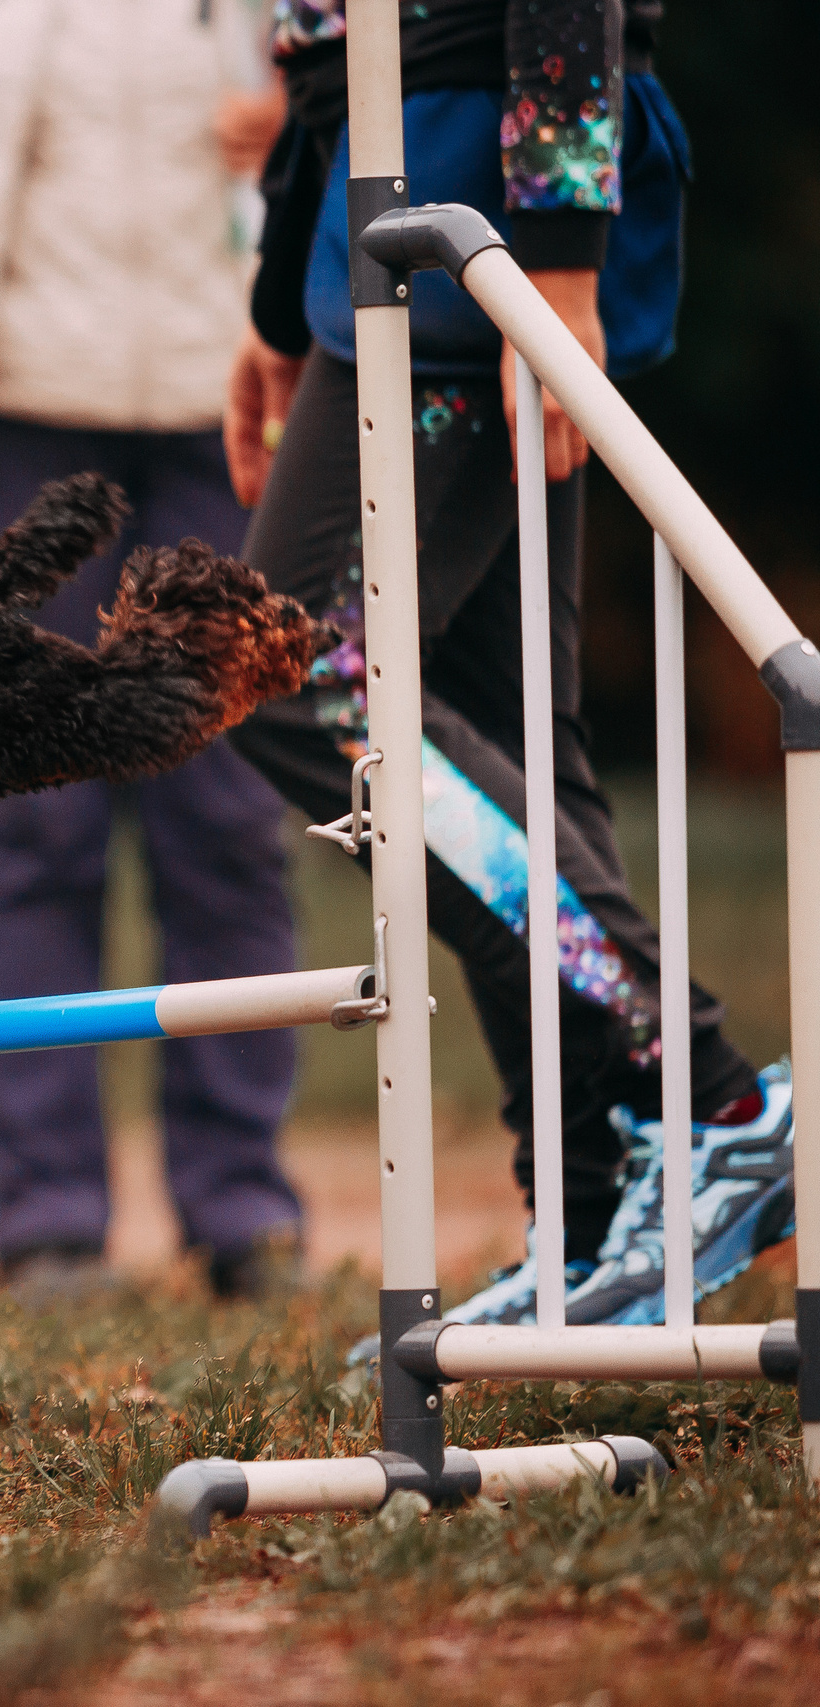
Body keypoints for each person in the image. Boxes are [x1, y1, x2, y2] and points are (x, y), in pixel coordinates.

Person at [224, 0, 794, 1334]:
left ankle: (702, 1087)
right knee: (499, 728)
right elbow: (324, 39)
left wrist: (560, 256)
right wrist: (280, 298)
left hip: (495, 191)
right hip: (384, 193)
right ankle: (591, 1221)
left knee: (303, 669)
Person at [0, 0, 308, 1301]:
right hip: (12, 417)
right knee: (36, 829)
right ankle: (48, 1225)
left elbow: (392, 124)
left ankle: (242, 1208)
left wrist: (305, 126)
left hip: (232, 410)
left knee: (231, 817)